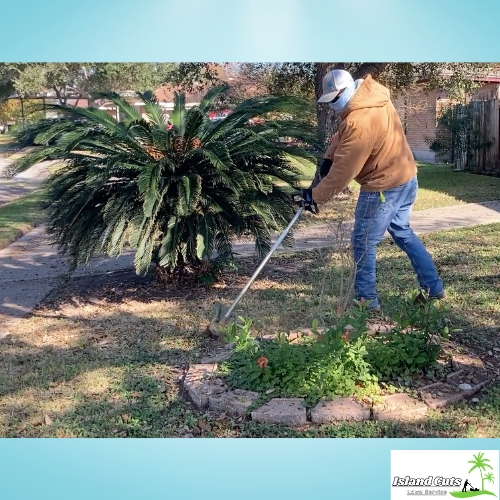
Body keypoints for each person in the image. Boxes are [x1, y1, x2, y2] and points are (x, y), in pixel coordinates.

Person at [301, 69, 445, 312]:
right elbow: (341, 136)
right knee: (403, 231)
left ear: (345, 93)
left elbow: (344, 172)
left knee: (363, 243)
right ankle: (434, 288)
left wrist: (315, 197)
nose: (332, 106)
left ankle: (366, 303)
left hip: (383, 186)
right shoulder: (373, 98)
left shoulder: (360, 121)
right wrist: (326, 161)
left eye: (334, 100)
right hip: (406, 177)